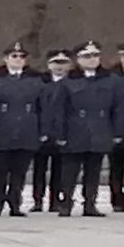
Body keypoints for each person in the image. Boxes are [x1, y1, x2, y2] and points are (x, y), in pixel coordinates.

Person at [0, 44, 46, 217]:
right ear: (6, 59)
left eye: (21, 57)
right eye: (14, 56)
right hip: (1, 130)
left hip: (26, 131)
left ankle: (15, 202)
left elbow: (43, 108)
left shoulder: (34, 82)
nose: (18, 60)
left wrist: (42, 130)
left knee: (19, 172)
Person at [57, 41, 117, 217]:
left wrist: (116, 132)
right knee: (70, 170)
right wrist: (60, 133)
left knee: (94, 170)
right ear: (78, 59)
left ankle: (90, 203)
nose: (92, 60)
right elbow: (59, 110)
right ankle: (66, 202)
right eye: (87, 56)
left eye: (95, 56)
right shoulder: (68, 82)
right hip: (75, 130)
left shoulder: (110, 80)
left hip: (100, 128)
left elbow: (117, 108)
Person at [33, 51, 74, 212]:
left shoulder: (73, 84)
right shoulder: (40, 84)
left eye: (63, 63)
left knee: (60, 170)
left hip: (63, 134)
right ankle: (38, 200)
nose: (59, 67)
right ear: (49, 65)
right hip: (42, 133)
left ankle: (56, 200)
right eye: (56, 63)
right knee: (39, 169)